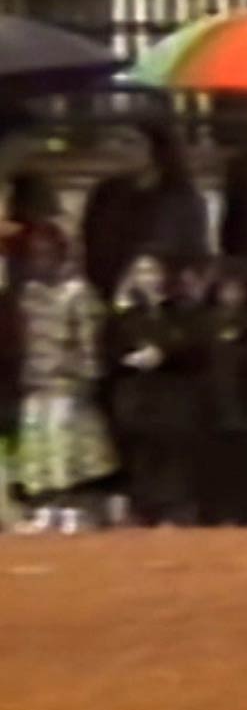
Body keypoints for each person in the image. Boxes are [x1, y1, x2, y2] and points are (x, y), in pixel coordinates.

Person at [10, 223, 114, 535]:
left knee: (67, 450)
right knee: (38, 451)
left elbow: (87, 340)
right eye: (34, 254)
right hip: (35, 382)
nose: (39, 260)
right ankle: (45, 506)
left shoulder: (77, 293)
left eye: (45, 253)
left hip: (66, 384)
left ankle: (72, 507)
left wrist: (86, 375)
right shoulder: (29, 294)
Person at [102, 252, 206, 527]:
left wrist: (165, 353)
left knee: (174, 459)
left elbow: (198, 349)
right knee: (139, 458)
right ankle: (140, 511)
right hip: (135, 398)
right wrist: (129, 358)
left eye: (155, 271)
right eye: (143, 271)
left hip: (173, 397)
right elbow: (107, 352)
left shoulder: (183, 312)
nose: (150, 279)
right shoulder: (123, 316)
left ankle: (175, 513)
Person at [79, 122, 210, 302]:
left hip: (167, 296)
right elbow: (92, 241)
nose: (118, 150)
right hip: (111, 292)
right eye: (114, 141)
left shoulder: (182, 197)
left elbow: (195, 251)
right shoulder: (106, 193)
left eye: (129, 143)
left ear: (154, 150)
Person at [198, 258, 247, 526]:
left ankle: (245, 510)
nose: (232, 296)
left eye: (238, 289)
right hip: (211, 403)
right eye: (226, 289)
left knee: (246, 461)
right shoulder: (204, 322)